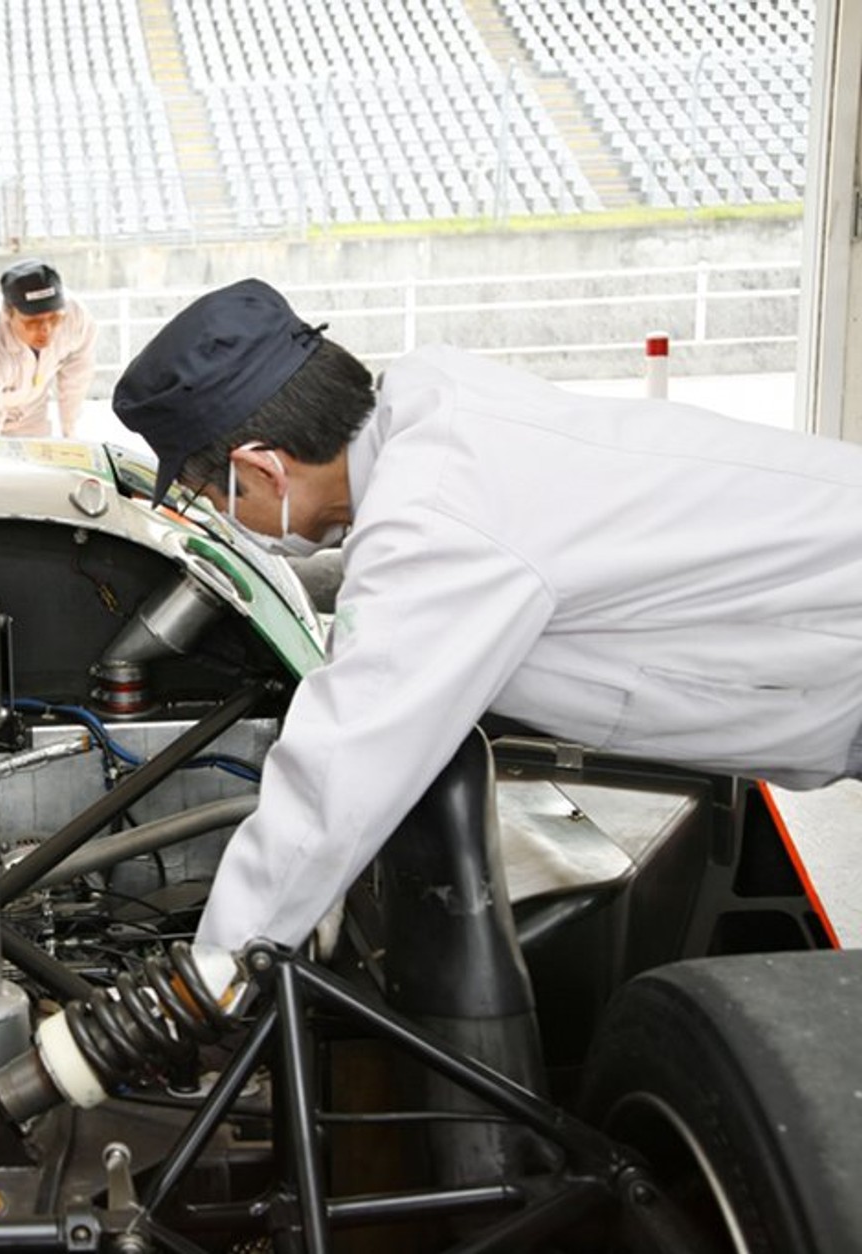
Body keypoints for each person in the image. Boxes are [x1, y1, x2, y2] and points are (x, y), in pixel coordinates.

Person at [112, 277, 862, 961]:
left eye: (217, 499)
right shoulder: (437, 408)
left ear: (263, 469)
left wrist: (208, 972)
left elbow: (340, 769)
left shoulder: (437, 519)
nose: (228, 519)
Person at [0, 259, 98, 438]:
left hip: (30, 402)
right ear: (8, 313)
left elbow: (75, 381)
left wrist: (70, 434)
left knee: (36, 458)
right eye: (33, 322)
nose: (46, 330)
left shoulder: (76, 318)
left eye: (53, 319)